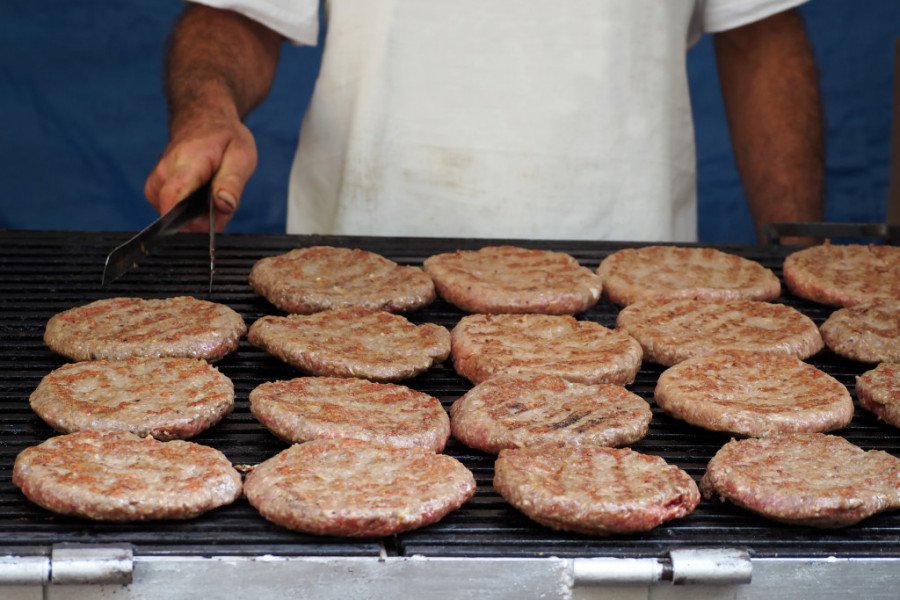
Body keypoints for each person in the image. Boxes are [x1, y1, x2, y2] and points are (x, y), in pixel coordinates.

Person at [145, 1, 824, 242]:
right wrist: (208, 111)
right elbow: (237, 12)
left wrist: (805, 268)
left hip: (630, 289)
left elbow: (759, 33)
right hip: (356, 284)